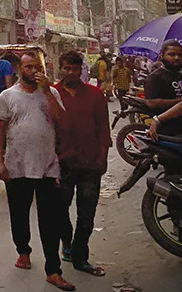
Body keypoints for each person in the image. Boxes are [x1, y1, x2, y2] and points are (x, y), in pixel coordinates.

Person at [0, 52, 74, 291]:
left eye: (37, 66)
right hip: (16, 165)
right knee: (19, 215)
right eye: (28, 67)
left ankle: (53, 270)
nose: (33, 71)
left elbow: (62, 121)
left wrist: (48, 91)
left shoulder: (51, 93)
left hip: (48, 165)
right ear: (20, 69)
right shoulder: (7, 96)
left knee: (50, 219)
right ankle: (23, 251)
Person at [54, 51, 109, 278]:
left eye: (75, 69)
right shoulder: (52, 94)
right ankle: (67, 244)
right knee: (59, 211)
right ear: (61, 69)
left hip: (90, 164)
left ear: (81, 70)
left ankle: (80, 256)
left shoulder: (95, 95)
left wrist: (102, 159)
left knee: (86, 216)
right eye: (67, 68)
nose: (71, 73)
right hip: (62, 164)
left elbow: (104, 129)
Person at [143, 40, 182, 137]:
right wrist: (181, 101)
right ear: (161, 56)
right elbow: (151, 103)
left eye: (180, 55)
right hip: (169, 133)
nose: (177, 58)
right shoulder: (155, 77)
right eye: (172, 54)